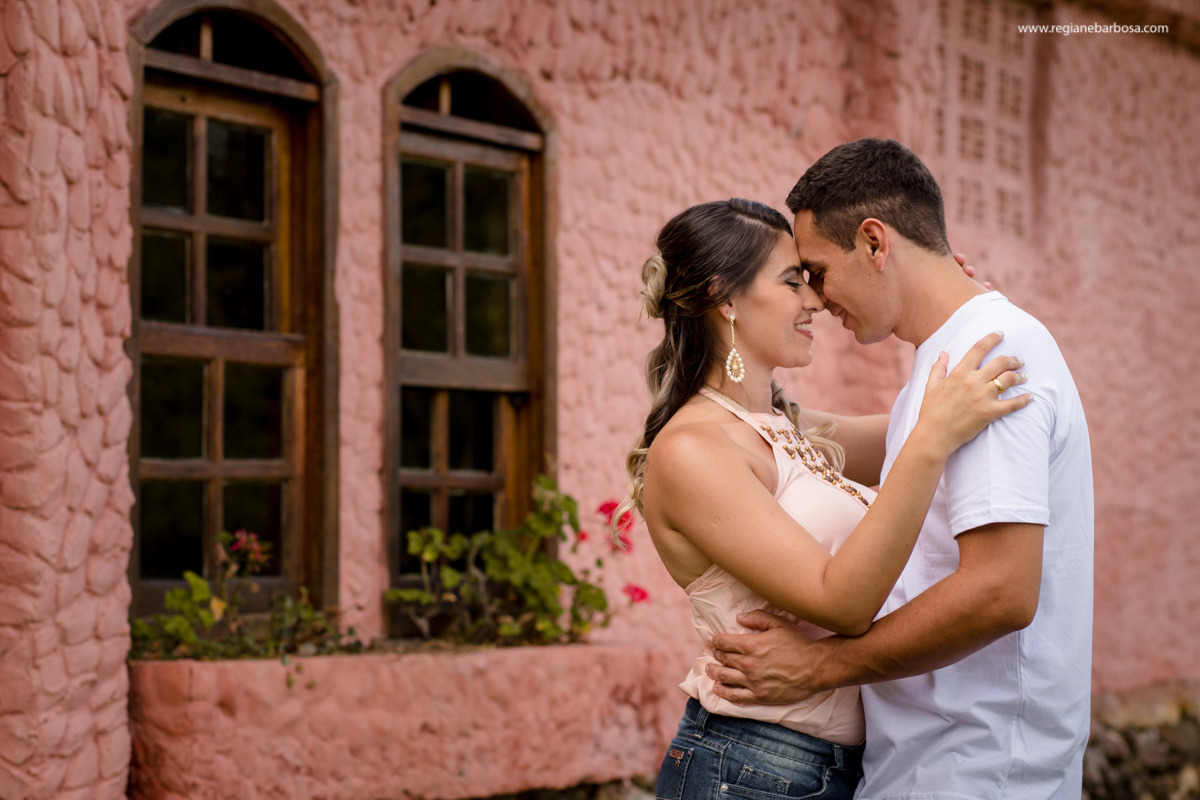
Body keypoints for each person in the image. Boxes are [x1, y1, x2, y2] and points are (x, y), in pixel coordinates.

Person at [705, 140, 1094, 799]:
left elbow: (1001, 591)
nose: (817, 299)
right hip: (930, 759)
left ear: (874, 243)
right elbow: (828, 439)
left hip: (977, 769)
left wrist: (820, 666)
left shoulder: (989, 355)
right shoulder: (946, 358)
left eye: (818, 272)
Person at [620, 197, 1031, 800]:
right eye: (793, 282)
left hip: (837, 767)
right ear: (723, 298)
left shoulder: (786, 428)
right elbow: (842, 603)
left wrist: (948, 308)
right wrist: (929, 441)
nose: (814, 301)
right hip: (750, 768)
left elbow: (922, 420)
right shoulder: (693, 451)